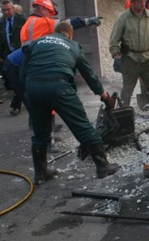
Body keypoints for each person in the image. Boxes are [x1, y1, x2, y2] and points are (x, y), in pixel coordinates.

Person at [21, 22, 119, 183]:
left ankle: (40, 173)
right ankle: (103, 166)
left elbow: (23, 70)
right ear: (70, 34)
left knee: (40, 133)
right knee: (82, 127)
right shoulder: (72, 45)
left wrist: (28, 91)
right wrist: (104, 95)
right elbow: (89, 75)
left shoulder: (37, 42)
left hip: (33, 87)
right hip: (59, 87)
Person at [109, 0, 149, 107]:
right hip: (130, 59)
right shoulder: (123, 19)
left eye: (143, 1)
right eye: (140, 1)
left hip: (148, 58)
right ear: (132, 2)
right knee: (127, 91)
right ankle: (124, 113)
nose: (143, 3)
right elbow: (114, 40)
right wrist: (116, 56)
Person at [20, 0, 101, 44]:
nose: (50, 17)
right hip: (38, 56)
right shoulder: (42, 22)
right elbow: (66, 24)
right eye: (49, 12)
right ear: (41, 9)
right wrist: (88, 21)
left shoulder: (28, 22)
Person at [0, 0, 26, 114]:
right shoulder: (3, 23)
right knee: (15, 82)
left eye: (8, 9)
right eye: (3, 10)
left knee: (22, 81)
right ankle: (18, 104)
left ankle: (16, 105)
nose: (6, 12)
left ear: (13, 8)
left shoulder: (22, 20)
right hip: (9, 57)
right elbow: (0, 41)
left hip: (21, 54)